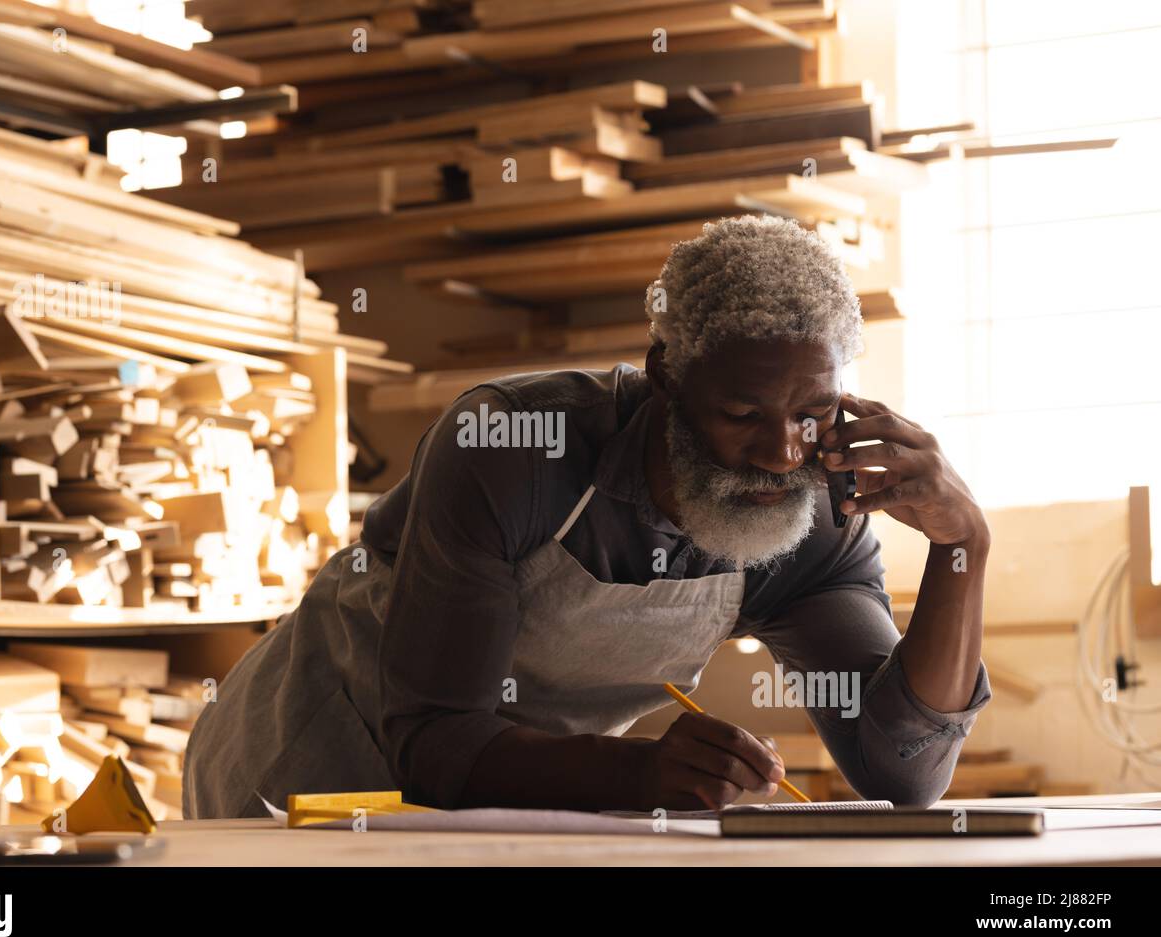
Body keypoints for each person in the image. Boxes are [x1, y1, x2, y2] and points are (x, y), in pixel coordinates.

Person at [183, 214, 992, 818]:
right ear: (666, 381)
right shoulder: (510, 448)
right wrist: (640, 775)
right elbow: (435, 740)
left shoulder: (809, 522)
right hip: (309, 761)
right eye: (742, 414)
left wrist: (964, 546)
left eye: (813, 412)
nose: (784, 452)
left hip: (510, 799)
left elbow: (902, 772)